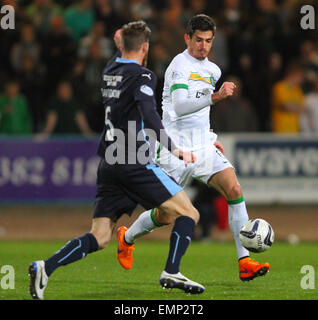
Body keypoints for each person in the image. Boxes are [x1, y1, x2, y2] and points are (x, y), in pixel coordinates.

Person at [28, 20, 204, 300]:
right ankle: (171, 270)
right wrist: (173, 148)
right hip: (133, 161)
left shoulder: (109, 70)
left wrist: (121, 42)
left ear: (121, 45)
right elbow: (150, 114)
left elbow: (121, 56)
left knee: (99, 237)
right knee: (189, 213)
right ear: (145, 47)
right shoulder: (144, 77)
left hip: (109, 164)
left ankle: (44, 268)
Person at [117, 14, 270, 282]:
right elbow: (180, 106)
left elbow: (198, 114)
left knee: (234, 189)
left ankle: (244, 261)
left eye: (208, 41)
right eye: (198, 40)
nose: (203, 46)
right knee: (165, 215)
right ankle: (127, 237)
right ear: (187, 38)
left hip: (203, 147)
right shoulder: (179, 65)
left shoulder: (213, 70)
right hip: (174, 149)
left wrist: (210, 137)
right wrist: (216, 96)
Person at [271, 63, 305, 133]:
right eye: (300, 77)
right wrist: (295, 108)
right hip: (281, 130)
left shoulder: (298, 90)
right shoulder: (279, 87)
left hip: (295, 130)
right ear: (292, 75)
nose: (301, 80)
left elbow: (302, 108)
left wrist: (293, 107)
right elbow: (286, 106)